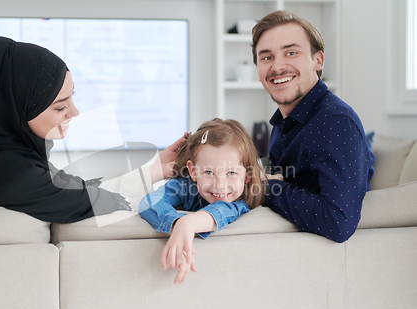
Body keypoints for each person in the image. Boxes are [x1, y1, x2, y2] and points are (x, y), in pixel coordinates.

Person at [0, 36, 185, 222]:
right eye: (59, 106)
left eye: (72, 98)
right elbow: (99, 200)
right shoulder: (14, 176)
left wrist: (155, 170)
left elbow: (75, 189)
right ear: (6, 109)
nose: (75, 112)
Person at [251, 11, 376, 243]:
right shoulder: (284, 120)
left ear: (318, 60)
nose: (277, 66)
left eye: (291, 52)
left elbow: (338, 222)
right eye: (266, 57)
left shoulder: (335, 121)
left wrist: (268, 188)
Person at [139, 118, 264, 284]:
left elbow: (222, 209)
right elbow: (149, 202)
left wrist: (188, 223)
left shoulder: (243, 199)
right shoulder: (187, 186)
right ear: (193, 171)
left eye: (231, 173)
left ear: (247, 174)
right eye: (209, 172)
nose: (220, 186)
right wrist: (176, 222)